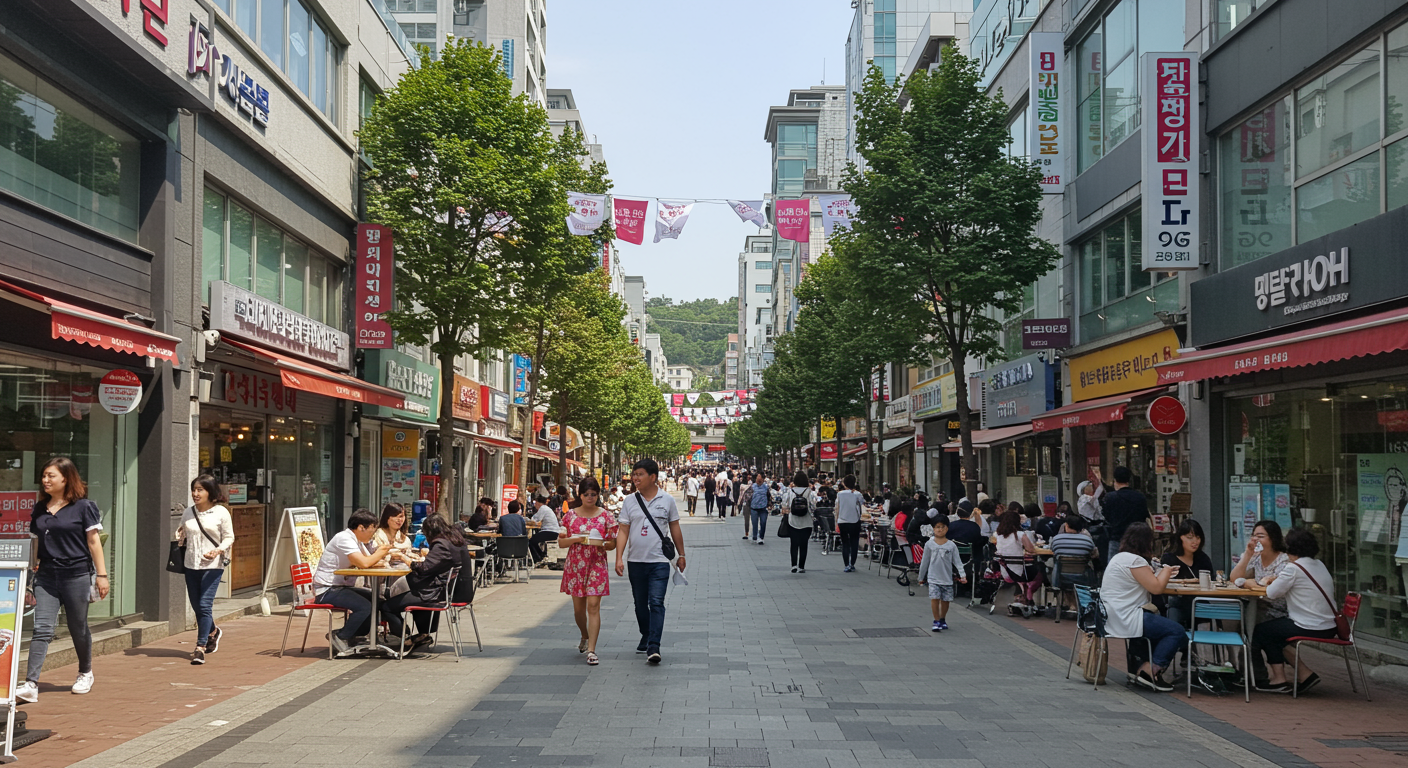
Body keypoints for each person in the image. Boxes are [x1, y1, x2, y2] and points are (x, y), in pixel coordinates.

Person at [18, 457, 109, 702]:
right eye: (44, 476)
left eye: (51, 476)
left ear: (66, 479)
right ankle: (31, 683)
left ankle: (85, 672)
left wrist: (101, 576)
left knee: (77, 627)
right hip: (47, 576)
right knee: (42, 629)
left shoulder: (84, 507)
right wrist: (29, 577)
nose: (45, 480)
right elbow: (35, 544)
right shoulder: (40, 508)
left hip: (76, 574)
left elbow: (93, 542)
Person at [614, 459, 685, 664]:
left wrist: (681, 554)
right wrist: (619, 557)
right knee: (639, 604)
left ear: (653, 477)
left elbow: (675, 527)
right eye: (634, 474)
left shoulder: (667, 500)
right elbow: (623, 530)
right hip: (636, 561)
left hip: (659, 561)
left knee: (656, 602)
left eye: (640, 474)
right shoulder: (629, 501)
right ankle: (646, 633)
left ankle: (654, 645)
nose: (635, 478)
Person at [1100, 522, 1184, 692]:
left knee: (1159, 624)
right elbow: (1156, 588)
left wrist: (1162, 572)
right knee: (1176, 631)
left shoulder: (1120, 557)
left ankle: (1137, 668)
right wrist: (1166, 570)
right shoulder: (1134, 560)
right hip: (1126, 616)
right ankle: (1150, 670)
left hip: (1113, 614)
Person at [1252, 528, 1338, 693]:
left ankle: (1278, 679)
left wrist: (1252, 583)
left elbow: (1271, 593)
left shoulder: (1294, 568)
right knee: (1275, 632)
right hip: (1329, 625)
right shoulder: (1319, 564)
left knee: (1262, 632)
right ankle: (1305, 674)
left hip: (1311, 625)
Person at [312, 508, 400, 657]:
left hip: (341, 587)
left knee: (377, 601)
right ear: (361, 527)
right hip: (327, 589)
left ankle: (355, 635)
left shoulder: (357, 541)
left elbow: (369, 561)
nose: (373, 534)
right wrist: (381, 552)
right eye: (372, 530)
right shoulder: (344, 538)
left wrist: (382, 556)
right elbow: (364, 563)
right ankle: (341, 636)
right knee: (365, 606)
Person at [383, 514, 470, 652]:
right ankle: (422, 635)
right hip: (456, 590)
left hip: (438, 594)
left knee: (386, 606)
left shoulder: (441, 544)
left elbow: (424, 569)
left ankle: (406, 638)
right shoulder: (455, 540)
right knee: (412, 592)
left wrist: (404, 558)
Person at [175, 475, 235, 665]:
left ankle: (200, 647)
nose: (195, 493)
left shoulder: (221, 512)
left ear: (210, 492)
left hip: (213, 565)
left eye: (200, 490)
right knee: (196, 606)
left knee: (204, 605)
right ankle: (213, 631)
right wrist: (180, 534)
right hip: (190, 564)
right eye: (194, 490)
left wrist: (218, 550)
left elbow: (229, 537)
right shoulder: (188, 512)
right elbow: (182, 531)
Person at [558, 477, 618, 665]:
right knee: (578, 610)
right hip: (576, 565)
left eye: (593, 494)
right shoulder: (570, 516)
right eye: (586, 494)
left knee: (593, 606)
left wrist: (602, 544)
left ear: (598, 495)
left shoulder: (606, 516)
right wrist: (578, 539)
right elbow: (561, 542)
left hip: (596, 565)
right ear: (580, 495)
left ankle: (591, 650)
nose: (590, 497)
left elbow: (612, 543)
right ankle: (584, 634)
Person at [1229, 519, 1290, 685]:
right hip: (1258, 606)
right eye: (1253, 535)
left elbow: (1273, 590)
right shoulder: (1255, 557)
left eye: (1261, 536)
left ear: (1273, 538)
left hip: (1278, 609)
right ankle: (1246, 672)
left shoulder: (1284, 561)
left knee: (1247, 627)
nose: (1255, 539)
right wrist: (1248, 554)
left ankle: (1253, 674)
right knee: (1235, 621)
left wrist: (1249, 583)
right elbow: (1234, 578)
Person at [1156, 518, 1216, 626]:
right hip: (1176, 603)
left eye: (1198, 537)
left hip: (1200, 602)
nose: (1195, 542)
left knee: (1206, 610)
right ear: (1180, 537)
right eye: (1190, 537)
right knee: (1173, 612)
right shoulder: (1169, 558)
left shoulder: (1203, 558)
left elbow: (1212, 580)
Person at [918, 516, 966, 631]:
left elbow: (957, 562)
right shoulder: (929, 544)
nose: (940, 529)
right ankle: (936, 620)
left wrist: (962, 575)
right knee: (934, 598)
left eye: (942, 527)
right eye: (937, 527)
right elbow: (925, 562)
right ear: (933, 529)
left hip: (947, 578)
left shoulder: (951, 545)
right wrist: (921, 577)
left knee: (945, 600)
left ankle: (942, 618)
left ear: (947, 528)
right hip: (933, 578)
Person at [1100, 466, 1149, 563]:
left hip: (1116, 538)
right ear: (1129, 480)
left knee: (1114, 566)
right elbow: (1144, 516)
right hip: (1136, 539)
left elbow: (1106, 516)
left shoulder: (1110, 497)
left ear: (1115, 480)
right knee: (1136, 566)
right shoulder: (1140, 497)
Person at [994, 508, 1040, 608]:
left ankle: (1021, 596)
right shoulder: (1020, 535)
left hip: (1005, 573)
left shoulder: (998, 535)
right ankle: (1029, 595)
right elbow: (1031, 549)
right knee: (1040, 572)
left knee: (1024, 573)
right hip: (1020, 573)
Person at [373, 503, 424, 568]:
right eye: (395, 516)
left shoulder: (405, 539)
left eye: (401, 516)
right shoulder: (377, 536)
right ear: (387, 517)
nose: (399, 520)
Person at [781, 471, 812, 570]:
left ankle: (794, 565)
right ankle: (801, 566)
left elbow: (785, 504)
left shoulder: (791, 491)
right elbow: (813, 505)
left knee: (794, 543)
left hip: (793, 520)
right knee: (804, 544)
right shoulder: (809, 491)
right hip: (807, 521)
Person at [835, 475, 865, 572]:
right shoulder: (857, 494)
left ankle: (846, 564)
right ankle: (852, 564)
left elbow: (837, 508)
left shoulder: (840, 494)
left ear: (844, 484)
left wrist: (836, 521)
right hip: (855, 520)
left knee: (845, 543)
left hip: (842, 521)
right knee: (854, 542)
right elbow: (862, 504)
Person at [529, 497, 562, 563]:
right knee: (534, 539)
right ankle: (541, 556)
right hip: (553, 531)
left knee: (531, 541)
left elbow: (535, 519)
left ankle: (538, 558)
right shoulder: (546, 508)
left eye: (535, 503)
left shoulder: (543, 508)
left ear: (538, 502)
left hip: (550, 531)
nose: (535, 505)